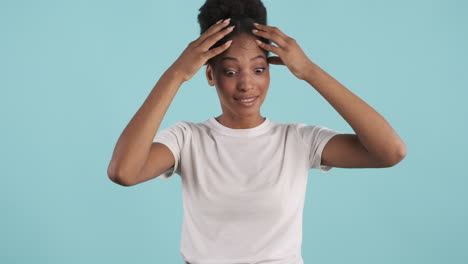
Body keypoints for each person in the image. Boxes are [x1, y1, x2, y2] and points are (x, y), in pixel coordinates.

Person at [107, 0, 407, 263]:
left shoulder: (298, 140)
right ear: (210, 75)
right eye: (230, 71)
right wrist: (176, 74)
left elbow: (390, 152)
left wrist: (310, 71)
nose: (247, 84)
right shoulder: (187, 139)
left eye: (259, 69)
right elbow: (124, 172)